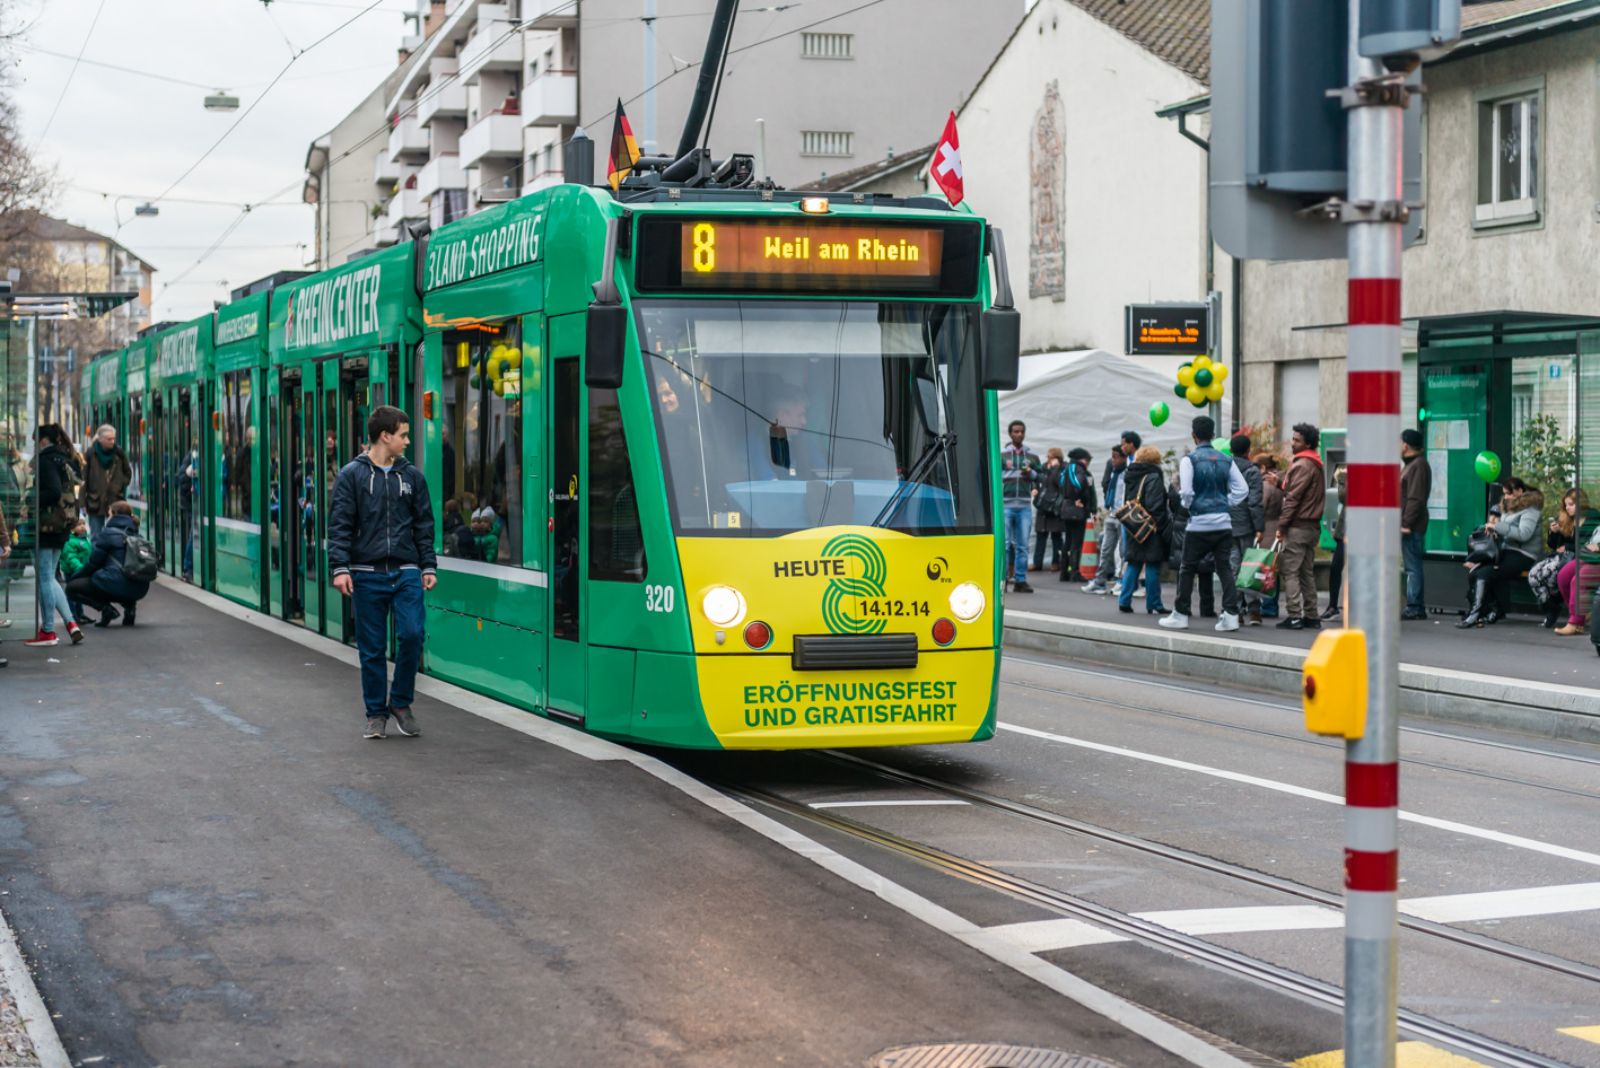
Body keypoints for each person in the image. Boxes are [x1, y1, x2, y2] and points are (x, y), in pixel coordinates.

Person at [328, 405, 437, 740]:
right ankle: (376, 713)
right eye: (403, 435)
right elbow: (340, 525)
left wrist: (428, 564)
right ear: (385, 436)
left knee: (412, 635)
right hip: (365, 572)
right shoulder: (352, 476)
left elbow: (424, 524)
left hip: (405, 570)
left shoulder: (412, 477)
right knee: (372, 649)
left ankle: (400, 703)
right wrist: (340, 568)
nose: (407, 441)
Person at [1161, 416, 1248, 631]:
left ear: (1194, 435)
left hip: (1199, 523)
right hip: (1223, 523)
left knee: (1187, 567)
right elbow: (1242, 489)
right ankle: (1230, 614)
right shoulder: (1226, 459)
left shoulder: (1189, 460)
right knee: (1224, 567)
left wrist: (1191, 505)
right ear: (1213, 434)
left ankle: (1181, 613)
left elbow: (1187, 492)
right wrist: (1225, 502)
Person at [26, 424, 85, 647]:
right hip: (61, 525)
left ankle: (48, 631)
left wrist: (31, 499)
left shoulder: (46, 461)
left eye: (35, 441)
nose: (34, 445)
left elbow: (52, 492)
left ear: (43, 441)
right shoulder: (65, 458)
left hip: (46, 526)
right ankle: (71, 623)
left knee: (44, 578)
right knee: (50, 577)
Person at [1458, 482, 1543, 628]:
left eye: (1509, 493)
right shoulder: (1509, 508)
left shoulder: (1531, 510)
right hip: (1506, 550)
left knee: (1485, 573)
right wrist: (1493, 531)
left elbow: (1523, 535)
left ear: (1519, 491)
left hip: (1524, 554)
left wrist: (1497, 526)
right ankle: (1493, 609)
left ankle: (1476, 613)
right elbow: (1506, 532)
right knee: (1474, 572)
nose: (1506, 497)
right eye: (1504, 493)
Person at [64, 501, 151, 627]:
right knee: (123, 578)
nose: (107, 516)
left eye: (109, 513)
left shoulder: (108, 534)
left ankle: (106, 609)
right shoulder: (138, 535)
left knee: (72, 588)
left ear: (114, 515)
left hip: (116, 584)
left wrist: (76, 576)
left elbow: (93, 564)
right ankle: (130, 608)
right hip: (140, 589)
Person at [1276, 423, 1327, 630]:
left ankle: (1295, 615)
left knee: (1290, 572)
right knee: (1306, 572)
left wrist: (1282, 525)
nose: (1292, 443)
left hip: (1298, 526)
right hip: (1312, 526)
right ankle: (1312, 615)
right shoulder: (1315, 463)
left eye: (1297, 440)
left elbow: (1293, 499)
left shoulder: (1302, 464)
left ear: (1307, 442)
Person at [1117, 444, 1170, 615]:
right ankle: (1154, 603)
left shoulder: (1130, 474)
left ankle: (1124, 600)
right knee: (1153, 564)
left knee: (1133, 562)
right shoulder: (1153, 476)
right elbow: (1155, 505)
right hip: (1150, 526)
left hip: (1134, 525)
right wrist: (1162, 526)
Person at [1226, 432, 1265, 623]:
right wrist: (1259, 527)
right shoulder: (1252, 471)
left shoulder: (1225, 468)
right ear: (1248, 451)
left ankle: (1235, 610)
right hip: (1247, 526)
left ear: (1231, 450)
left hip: (1227, 524)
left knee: (1234, 567)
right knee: (1250, 566)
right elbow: (1254, 502)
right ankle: (1254, 610)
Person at [1531, 488, 1583, 628]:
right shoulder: (1564, 518)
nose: (1568, 508)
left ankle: (1557, 606)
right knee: (1533, 575)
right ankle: (1551, 607)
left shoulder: (1585, 521)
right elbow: (1552, 545)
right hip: (1560, 557)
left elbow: (1585, 544)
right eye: (1566, 505)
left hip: (1575, 558)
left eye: (1571, 504)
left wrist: (1567, 546)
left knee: (1549, 574)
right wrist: (1553, 532)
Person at [1000, 420, 1041, 593]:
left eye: (1021, 431)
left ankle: (1020, 580)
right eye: (1016, 431)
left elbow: (1040, 476)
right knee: (1006, 543)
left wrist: (1030, 473)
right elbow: (995, 474)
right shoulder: (1002, 455)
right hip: (1006, 504)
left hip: (1024, 504)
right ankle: (1003, 578)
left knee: (1023, 545)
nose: (1019, 434)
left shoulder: (1031, 456)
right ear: (1010, 433)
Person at [1400, 429, 1431, 620]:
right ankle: (1414, 604)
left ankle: (1415, 605)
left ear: (1406, 445)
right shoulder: (1412, 465)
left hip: (1412, 525)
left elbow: (1415, 498)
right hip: (1409, 523)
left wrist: (1406, 523)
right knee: (1411, 565)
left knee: (1412, 566)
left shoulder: (1417, 466)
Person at [1085, 447, 1126, 594]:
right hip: (1112, 513)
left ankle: (1121, 581)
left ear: (1124, 458)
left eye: (1116, 457)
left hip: (1123, 516)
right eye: (1112, 457)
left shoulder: (1127, 474)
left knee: (1122, 552)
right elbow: (1106, 486)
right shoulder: (1114, 473)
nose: (1113, 460)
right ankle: (1100, 581)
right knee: (1105, 549)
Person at [82, 424, 132, 539]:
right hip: (95, 502)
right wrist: (82, 503)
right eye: (109, 439)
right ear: (100, 439)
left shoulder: (119, 453)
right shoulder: (90, 454)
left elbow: (127, 472)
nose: (112, 441)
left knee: (116, 535)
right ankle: (97, 557)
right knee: (96, 536)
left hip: (115, 502)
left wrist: (119, 485)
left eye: (114, 438)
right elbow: (83, 479)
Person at [1057, 447, 1095, 582]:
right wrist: (1081, 499)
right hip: (1077, 509)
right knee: (1076, 543)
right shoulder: (1078, 469)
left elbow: (1060, 485)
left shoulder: (1065, 469)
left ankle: (1064, 572)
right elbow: (1079, 485)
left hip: (1066, 508)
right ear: (1082, 459)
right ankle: (1075, 572)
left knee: (1067, 541)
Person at [1255, 455, 1284, 623]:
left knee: (1266, 569)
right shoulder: (1280, 481)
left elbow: (1261, 506)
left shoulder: (1266, 484)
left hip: (1267, 528)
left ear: (1263, 468)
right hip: (1277, 527)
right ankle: (1271, 605)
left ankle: (1268, 606)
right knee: (1273, 569)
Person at [1031, 447, 1067, 572]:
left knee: (1057, 537)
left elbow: (1059, 484)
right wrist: (1034, 488)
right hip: (1043, 505)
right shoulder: (1043, 467)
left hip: (1054, 506)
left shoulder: (1063, 469)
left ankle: (1057, 562)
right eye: (1047, 457)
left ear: (1058, 458)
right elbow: (1036, 479)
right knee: (1041, 536)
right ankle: (1037, 563)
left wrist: (1055, 468)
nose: (1048, 459)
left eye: (1050, 457)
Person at [1321, 466, 1347, 621]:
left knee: (1338, 567)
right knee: (1336, 567)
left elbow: (1345, 496)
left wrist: (1342, 478)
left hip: (1354, 531)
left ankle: (1333, 606)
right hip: (1347, 531)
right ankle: (1333, 605)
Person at [61, 518, 93, 625]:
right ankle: (73, 615)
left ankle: (80, 613)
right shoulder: (70, 541)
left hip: (81, 571)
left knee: (79, 593)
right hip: (73, 571)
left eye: (83, 524)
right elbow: (70, 557)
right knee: (72, 594)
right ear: (72, 528)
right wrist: (80, 568)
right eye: (79, 525)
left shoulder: (84, 539)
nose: (82, 526)